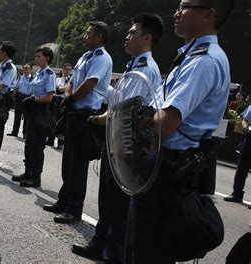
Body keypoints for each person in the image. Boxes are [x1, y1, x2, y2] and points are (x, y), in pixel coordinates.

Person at [124, 1, 232, 262]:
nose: (176, 13)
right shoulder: (191, 55)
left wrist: (134, 122)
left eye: (184, 7)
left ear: (209, 14)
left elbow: (166, 122)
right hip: (166, 168)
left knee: (147, 252)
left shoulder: (203, 62)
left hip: (169, 172)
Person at [71, 13, 165, 263]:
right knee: (107, 200)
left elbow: (127, 112)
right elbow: (119, 101)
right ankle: (99, 244)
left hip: (125, 146)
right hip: (115, 142)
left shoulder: (147, 69)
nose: (127, 36)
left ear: (147, 37)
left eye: (133, 32)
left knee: (118, 206)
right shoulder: (133, 67)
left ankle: (112, 254)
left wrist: (97, 119)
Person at [43, 21, 112, 224]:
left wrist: (72, 98)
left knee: (78, 164)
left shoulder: (103, 59)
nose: (85, 35)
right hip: (73, 111)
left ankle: (74, 209)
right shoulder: (85, 56)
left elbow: (89, 85)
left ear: (99, 36)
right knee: (68, 161)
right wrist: (68, 95)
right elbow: (72, 81)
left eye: (88, 33)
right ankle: (63, 201)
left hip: (85, 114)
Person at [11, 47, 55, 188]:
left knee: (37, 147)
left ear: (47, 58)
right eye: (35, 57)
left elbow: (49, 97)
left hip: (42, 112)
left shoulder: (49, 74)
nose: (36, 59)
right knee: (29, 144)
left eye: (39, 57)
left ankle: (36, 177)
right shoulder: (38, 73)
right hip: (33, 111)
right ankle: (28, 172)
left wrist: (33, 99)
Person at [224, 104, 251, 207]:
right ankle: (237, 194)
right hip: (249, 137)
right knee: (241, 167)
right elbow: (245, 119)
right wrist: (245, 128)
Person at [46, 63, 72, 149]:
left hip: (65, 101)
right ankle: (51, 139)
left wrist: (63, 88)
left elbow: (70, 90)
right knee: (53, 120)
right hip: (57, 100)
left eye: (69, 69)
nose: (67, 71)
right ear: (63, 70)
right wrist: (66, 88)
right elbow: (56, 90)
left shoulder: (72, 81)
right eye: (66, 69)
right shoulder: (58, 80)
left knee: (62, 122)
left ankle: (61, 142)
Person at [7, 63, 33, 138]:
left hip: (28, 98)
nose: (24, 70)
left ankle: (25, 133)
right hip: (19, 97)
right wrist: (14, 97)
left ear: (30, 70)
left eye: (26, 68)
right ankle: (15, 131)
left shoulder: (33, 79)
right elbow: (16, 88)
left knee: (26, 117)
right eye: (24, 68)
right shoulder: (20, 78)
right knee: (17, 115)